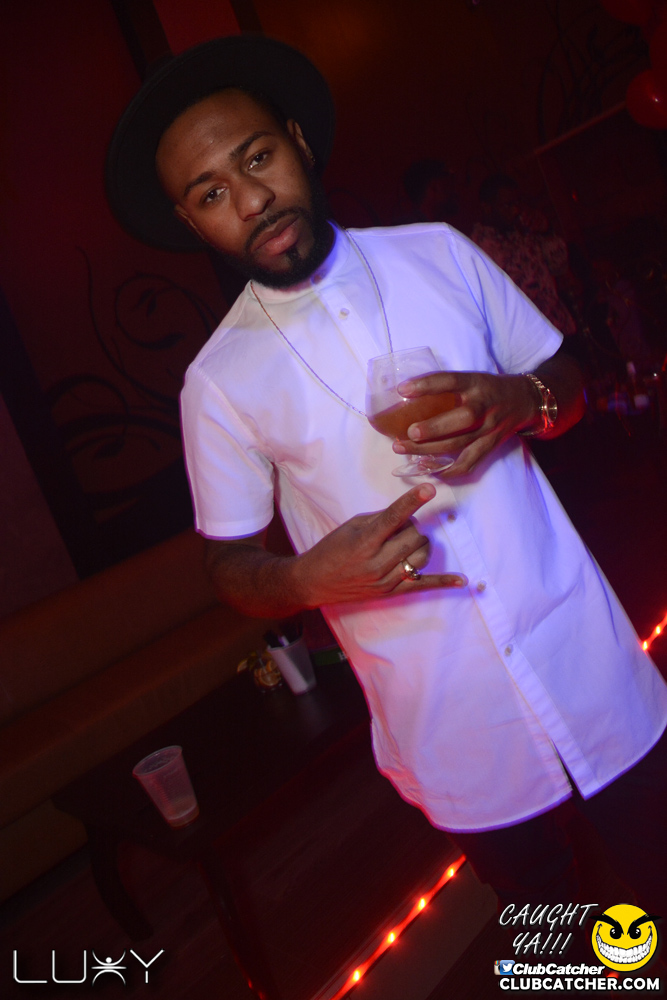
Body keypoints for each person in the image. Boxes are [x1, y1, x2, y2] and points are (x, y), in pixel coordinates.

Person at [107, 36, 667, 918]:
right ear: (190, 222)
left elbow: (569, 387)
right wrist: (304, 579)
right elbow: (227, 566)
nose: (250, 200)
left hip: (584, 657)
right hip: (449, 719)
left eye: (257, 158)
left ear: (297, 141)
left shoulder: (439, 253)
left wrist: (519, 400)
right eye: (210, 194)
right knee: (548, 932)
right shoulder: (216, 383)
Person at [471, 173, 578, 338]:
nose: (515, 210)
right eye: (507, 205)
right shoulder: (477, 250)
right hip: (528, 339)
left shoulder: (525, 231)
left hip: (558, 326)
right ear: (487, 207)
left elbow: (559, 267)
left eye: (517, 203)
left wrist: (546, 231)